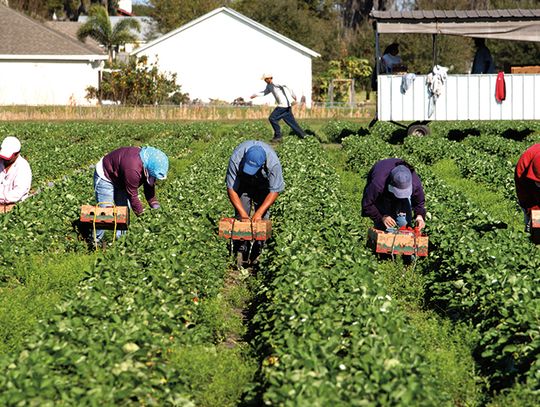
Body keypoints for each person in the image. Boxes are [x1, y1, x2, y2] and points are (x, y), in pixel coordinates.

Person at [226, 140, 285, 265]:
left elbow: (274, 191)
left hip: (263, 186)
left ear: (263, 163)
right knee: (242, 218)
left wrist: (259, 213)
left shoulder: (273, 163)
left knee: (262, 220)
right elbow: (231, 189)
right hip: (243, 184)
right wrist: (243, 213)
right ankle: (241, 247)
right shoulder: (236, 158)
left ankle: (259, 249)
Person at [93, 146, 168, 242]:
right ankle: (95, 241)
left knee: (123, 211)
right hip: (106, 174)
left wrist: (156, 207)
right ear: (148, 169)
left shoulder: (148, 164)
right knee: (105, 211)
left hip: (121, 177)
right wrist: (143, 217)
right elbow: (133, 196)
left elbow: (149, 190)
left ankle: (120, 241)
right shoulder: (133, 169)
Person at [361, 158, 426, 231]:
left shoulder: (415, 183)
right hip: (383, 192)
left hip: (398, 189)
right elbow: (367, 204)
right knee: (385, 227)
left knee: (404, 224)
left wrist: (419, 216)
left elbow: (419, 202)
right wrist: (382, 217)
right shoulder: (378, 184)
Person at [250, 73, 306, 142]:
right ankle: (304, 136)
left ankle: (278, 136)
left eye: (265, 79)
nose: (265, 80)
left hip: (283, 105)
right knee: (292, 123)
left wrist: (292, 94)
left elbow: (286, 85)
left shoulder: (276, 83)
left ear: (269, 78)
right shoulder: (269, 86)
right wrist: (256, 95)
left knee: (272, 118)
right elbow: (265, 92)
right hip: (286, 106)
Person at [0, 136, 32, 209]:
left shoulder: (23, 166)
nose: (5, 159)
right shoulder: (0, 162)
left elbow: (18, 192)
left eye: (8, 157)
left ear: (17, 154)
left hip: (15, 205)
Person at [514, 143, 540, 231]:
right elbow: (527, 199)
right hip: (532, 196)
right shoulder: (522, 169)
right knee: (536, 225)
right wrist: (536, 219)